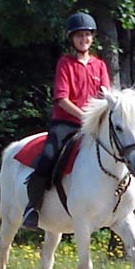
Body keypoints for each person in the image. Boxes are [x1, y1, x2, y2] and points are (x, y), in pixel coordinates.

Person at [21, 12, 112, 230]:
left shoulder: (99, 66)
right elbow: (61, 99)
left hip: (94, 126)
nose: (84, 39)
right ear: (72, 39)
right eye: (79, 36)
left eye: (88, 35)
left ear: (92, 38)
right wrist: (84, 117)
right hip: (66, 124)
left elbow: (107, 96)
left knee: (120, 154)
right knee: (48, 158)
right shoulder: (65, 63)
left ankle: (123, 209)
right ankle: (33, 207)